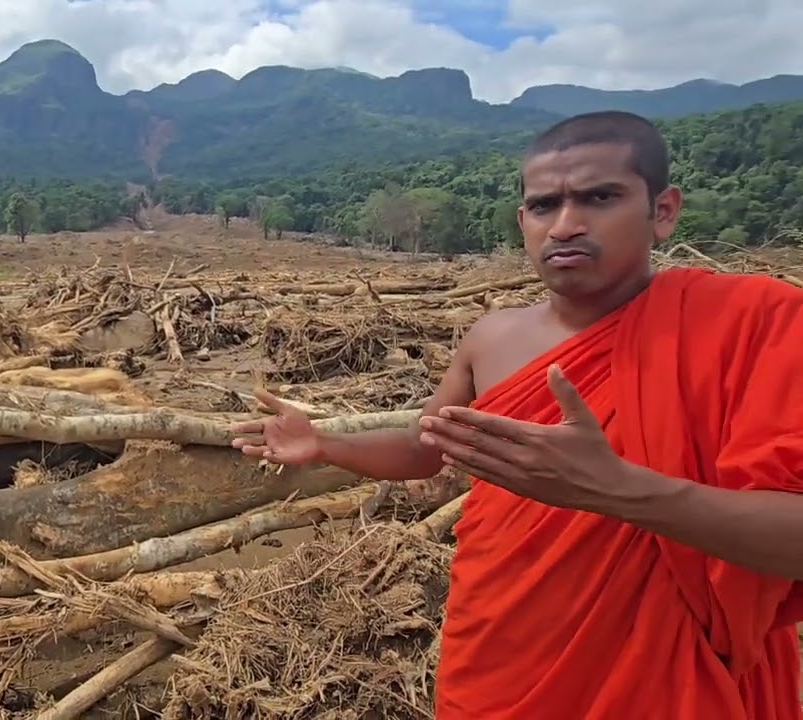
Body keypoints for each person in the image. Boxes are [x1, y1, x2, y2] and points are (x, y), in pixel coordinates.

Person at [231, 110, 803, 719]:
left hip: (668, 672)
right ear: (522, 220)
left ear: (662, 210)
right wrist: (321, 444)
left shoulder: (753, 324)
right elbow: (428, 448)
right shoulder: (490, 339)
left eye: (600, 197)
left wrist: (623, 492)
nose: (566, 225)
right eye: (543, 205)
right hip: (502, 645)